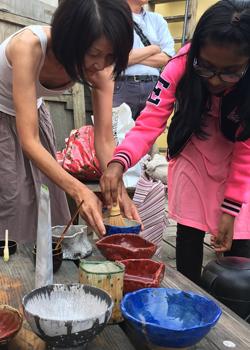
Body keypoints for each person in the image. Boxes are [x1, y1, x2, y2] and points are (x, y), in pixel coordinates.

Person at [101, 0, 250, 284]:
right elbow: (150, 121)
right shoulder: (179, 66)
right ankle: (186, 301)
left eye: (230, 72)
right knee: (189, 244)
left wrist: (230, 210)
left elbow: (246, 152)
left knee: (241, 249)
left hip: (239, 167)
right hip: (192, 156)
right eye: (206, 67)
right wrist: (119, 161)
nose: (216, 81)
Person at [0, 0, 136, 243]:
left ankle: (42, 269)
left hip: (33, 118)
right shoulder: (28, 47)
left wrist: (118, 189)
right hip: (7, 122)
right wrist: (78, 189)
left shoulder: (102, 70)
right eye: (93, 54)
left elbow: (104, 139)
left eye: (110, 56)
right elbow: (28, 141)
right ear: (70, 39)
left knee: (46, 200)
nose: (101, 64)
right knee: (11, 201)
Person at [113, 0, 175, 120]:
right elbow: (116, 59)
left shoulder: (157, 19)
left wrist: (131, 57)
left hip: (153, 87)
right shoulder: (114, 18)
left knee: (148, 135)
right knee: (118, 134)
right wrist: (153, 49)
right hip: (122, 85)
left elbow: (167, 58)